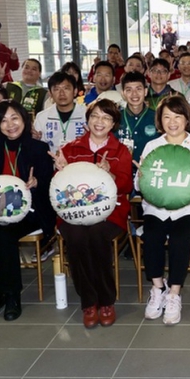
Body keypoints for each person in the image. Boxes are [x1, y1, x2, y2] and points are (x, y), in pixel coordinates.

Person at [50, 99, 133, 328]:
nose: (99, 122)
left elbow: (126, 186)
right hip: (72, 213)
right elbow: (58, 189)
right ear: (87, 120)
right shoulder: (70, 148)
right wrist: (59, 171)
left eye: (106, 118)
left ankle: (106, 301)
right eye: (95, 116)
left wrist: (112, 175)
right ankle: (88, 302)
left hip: (110, 214)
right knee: (76, 238)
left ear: (114, 123)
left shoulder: (120, 151)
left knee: (96, 235)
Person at [0, 101, 55, 323]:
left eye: (14, 118)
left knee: (6, 236)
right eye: (3, 120)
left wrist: (37, 182)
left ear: (24, 119)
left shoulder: (39, 147)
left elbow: (49, 184)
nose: (10, 125)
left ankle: (11, 296)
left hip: (30, 210)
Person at [138, 95, 190, 326]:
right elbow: (139, 184)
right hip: (157, 207)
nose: (172, 122)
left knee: (180, 238)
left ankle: (174, 294)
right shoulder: (152, 146)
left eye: (178, 117)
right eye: (167, 117)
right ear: (160, 121)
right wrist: (140, 178)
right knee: (151, 236)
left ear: (186, 119)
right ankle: (157, 288)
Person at [33, 71, 87, 152]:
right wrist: (35, 140)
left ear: (75, 91)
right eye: (56, 89)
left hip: (80, 162)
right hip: (51, 162)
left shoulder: (87, 115)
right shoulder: (42, 117)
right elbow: (37, 147)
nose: (62, 93)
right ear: (50, 93)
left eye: (66, 88)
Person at [116, 71, 158, 169]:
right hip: (121, 174)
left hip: (149, 173)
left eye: (139, 89)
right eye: (129, 90)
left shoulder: (157, 117)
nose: (134, 94)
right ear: (123, 93)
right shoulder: (116, 118)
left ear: (146, 91)